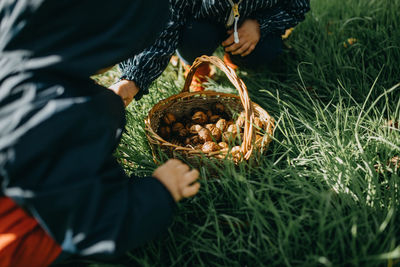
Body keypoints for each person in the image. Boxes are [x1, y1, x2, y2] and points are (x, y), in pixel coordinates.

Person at [0, 0, 200, 266]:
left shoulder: (19, 62)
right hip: (15, 241)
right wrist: (160, 191)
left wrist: (106, 105)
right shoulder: (54, 122)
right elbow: (97, 223)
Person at [110, 0, 310, 106]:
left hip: (251, 24)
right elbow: (165, 27)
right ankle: (199, 69)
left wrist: (261, 24)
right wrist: (134, 80)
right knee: (191, 38)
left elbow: (297, 6)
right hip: (203, 23)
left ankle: (233, 59)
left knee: (266, 51)